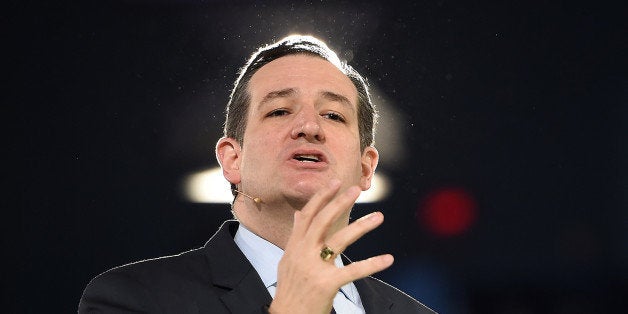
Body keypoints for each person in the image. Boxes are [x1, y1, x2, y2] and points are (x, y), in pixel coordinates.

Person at [79, 35, 435, 314]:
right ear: (233, 160)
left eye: (333, 115)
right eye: (279, 110)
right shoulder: (133, 298)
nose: (309, 126)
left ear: (365, 167)